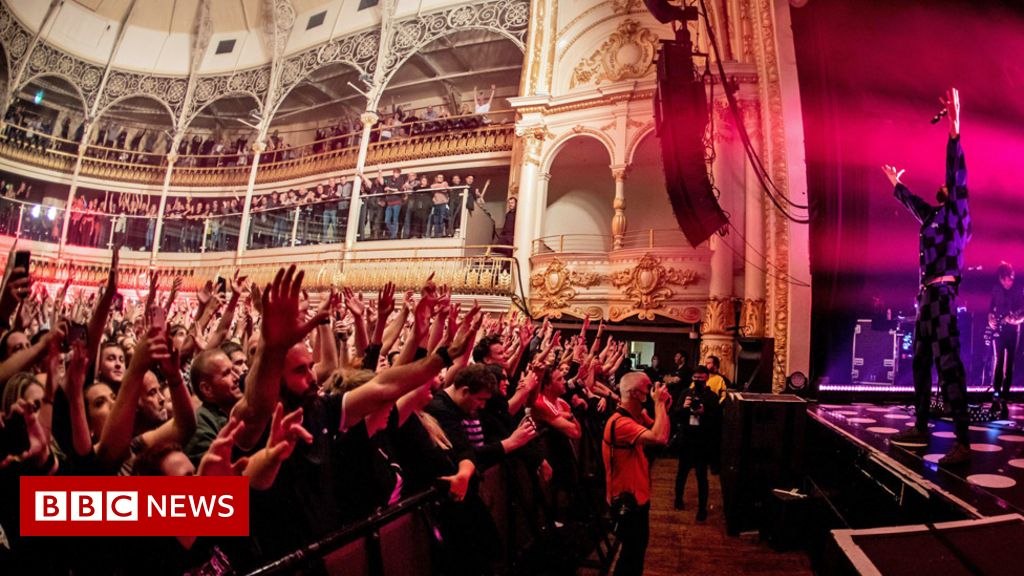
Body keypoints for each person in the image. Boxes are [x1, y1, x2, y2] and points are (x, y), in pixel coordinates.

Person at [883, 87, 971, 465]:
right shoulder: (934, 217)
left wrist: (954, 130)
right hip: (926, 298)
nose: (944, 184)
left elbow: (958, 174)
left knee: (947, 363)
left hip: (943, 296)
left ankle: (963, 442)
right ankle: (921, 426)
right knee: (920, 362)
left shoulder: (957, 215)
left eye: (949, 185)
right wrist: (896, 185)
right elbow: (915, 205)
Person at [602, 372, 671, 576]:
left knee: (635, 554)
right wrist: (659, 404)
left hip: (637, 496)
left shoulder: (635, 415)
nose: (651, 391)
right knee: (630, 558)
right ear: (634, 393)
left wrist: (663, 407)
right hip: (626, 500)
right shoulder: (621, 423)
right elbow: (659, 437)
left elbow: (661, 431)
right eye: (648, 387)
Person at [672, 367, 720, 519]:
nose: (697, 380)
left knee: (701, 476)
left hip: (702, 440)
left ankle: (702, 509)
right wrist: (684, 407)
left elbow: (717, 420)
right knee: (682, 473)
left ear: (707, 378)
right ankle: (678, 500)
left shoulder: (712, 397)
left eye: (700, 378)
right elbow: (676, 414)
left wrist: (704, 412)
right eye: (695, 377)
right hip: (686, 438)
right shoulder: (686, 393)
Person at [988, 261, 1023, 418]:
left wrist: (1014, 320)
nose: (1010, 282)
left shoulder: (1017, 290)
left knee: (1009, 367)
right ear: (1001, 278)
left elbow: (1023, 311)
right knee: (998, 363)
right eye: (1007, 279)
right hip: (999, 331)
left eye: (1011, 279)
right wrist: (990, 318)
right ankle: (995, 399)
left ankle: (1004, 400)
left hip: (1013, 331)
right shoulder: (996, 289)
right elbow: (991, 308)